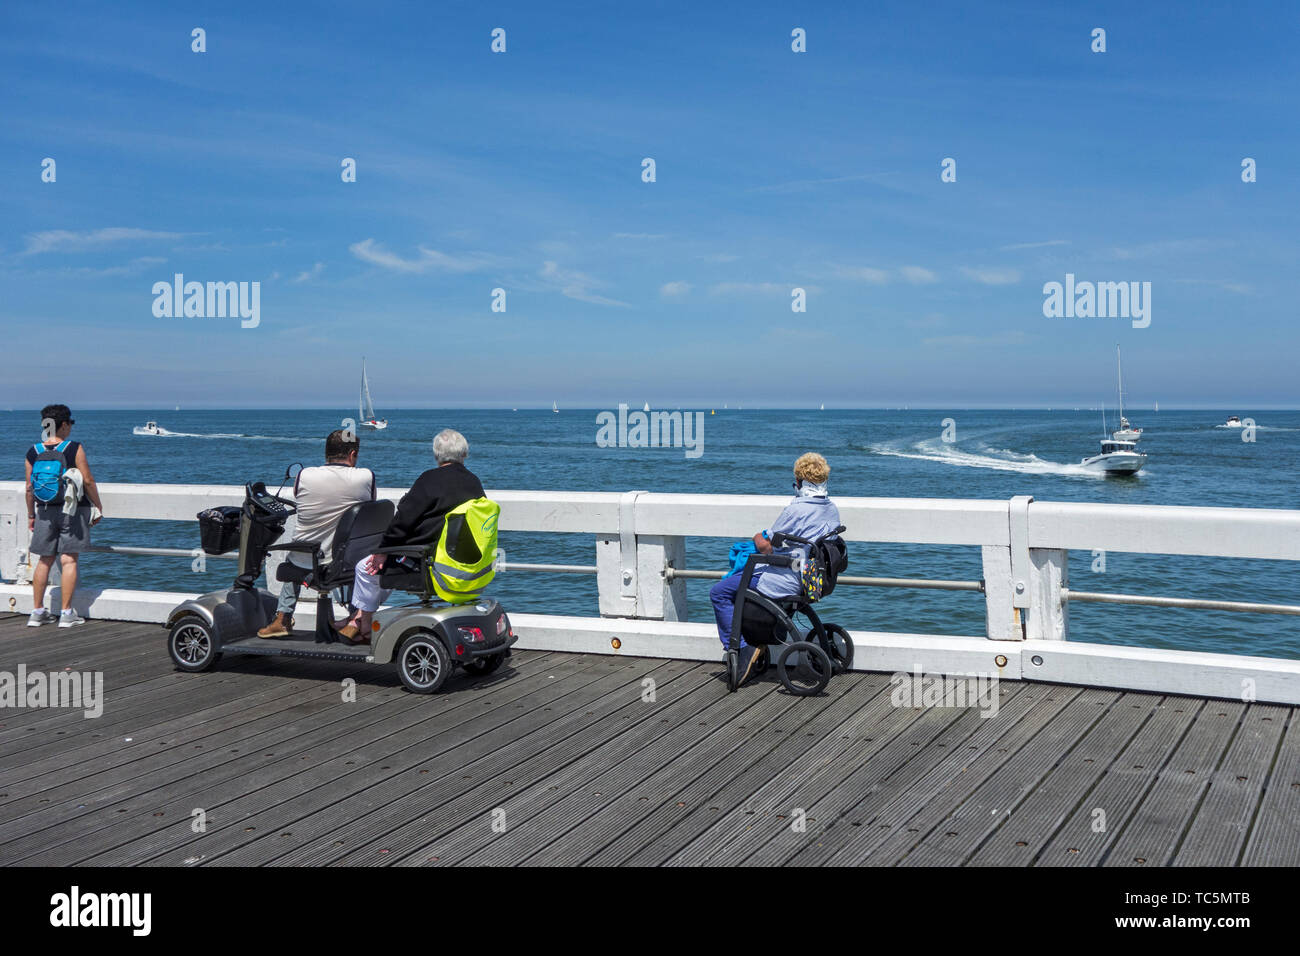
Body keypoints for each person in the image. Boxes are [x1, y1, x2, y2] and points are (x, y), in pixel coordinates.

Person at [336, 428, 484, 644]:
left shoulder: (430, 479)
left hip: (425, 562)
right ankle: (358, 618)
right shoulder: (474, 482)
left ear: (437, 455)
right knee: (378, 569)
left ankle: (363, 623)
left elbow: (403, 521)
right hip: (461, 562)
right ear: (464, 455)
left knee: (366, 567)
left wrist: (382, 551)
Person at [709, 452, 841, 686]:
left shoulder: (797, 509)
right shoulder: (831, 508)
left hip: (787, 577)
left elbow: (766, 546)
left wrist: (757, 536)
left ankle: (741, 648)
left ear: (799, 482)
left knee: (719, 592)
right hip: (814, 578)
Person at [257, 429, 376, 638]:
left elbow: (298, 496)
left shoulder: (304, 475)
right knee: (352, 549)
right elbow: (371, 503)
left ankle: (282, 618)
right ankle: (354, 619)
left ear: (326, 454)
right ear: (352, 454)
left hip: (305, 563)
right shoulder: (365, 476)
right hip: (344, 565)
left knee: (296, 552)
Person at [24, 405, 104, 628]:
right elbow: (88, 481)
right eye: (69, 424)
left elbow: (29, 488)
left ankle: (37, 612)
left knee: (44, 560)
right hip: (73, 511)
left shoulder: (33, 451)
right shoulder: (73, 448)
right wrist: (98, 506)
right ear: (65, 424)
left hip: (44, 511)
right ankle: (67, 614)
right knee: (69, 560)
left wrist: (31, 515)